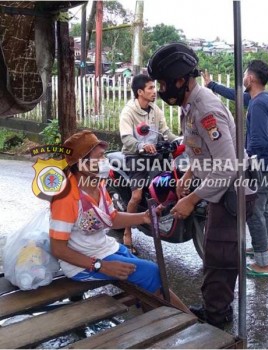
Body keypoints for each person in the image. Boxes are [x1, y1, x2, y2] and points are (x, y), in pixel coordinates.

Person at [147, 43, 256, 329]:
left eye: (162, 83)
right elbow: (203, 150)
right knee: (214, 252)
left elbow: (227, 165)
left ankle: (217, 319)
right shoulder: (190, 105)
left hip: (233, 189)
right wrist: (189, 175)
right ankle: (217, 308)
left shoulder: (206, 109)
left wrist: (192, 198)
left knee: (219, 257)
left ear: (180, 80)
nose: (160, 89)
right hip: (220, 185)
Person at [49, 130, 190, 313]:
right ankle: (186, 321)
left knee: (153, 280)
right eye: (99, 157)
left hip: (105, 249)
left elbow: (112, 218)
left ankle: (187, 320)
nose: (105, 162)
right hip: (83, 263)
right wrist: (101, 266)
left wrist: (143, 217)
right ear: (82, 163)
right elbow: (58, 249)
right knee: (152, 273)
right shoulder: (66, 197)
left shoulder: (97, 185)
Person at [202, 60, 268, 277]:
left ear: (251, 79)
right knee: (262, 208)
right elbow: (235, 95)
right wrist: (211, 85)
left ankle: (263, 265)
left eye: (245, 75)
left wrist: (242, 161)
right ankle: (267, 249)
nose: (242, 80)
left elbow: (258, 142)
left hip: (263, 167)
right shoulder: (261, 98)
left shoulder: (258, 104)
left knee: (254, 212)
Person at [119, 74, 177, 255]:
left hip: (156, 153)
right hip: (135, 156)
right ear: (139, 92)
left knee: (173, 181)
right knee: (136, 196)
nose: (155, 91)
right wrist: (141, 146)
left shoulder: (155, 109)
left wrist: (180, 141)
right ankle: (127, 232)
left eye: (154, 87)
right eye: (151, 88)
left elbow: (165, 132)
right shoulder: (128, 111)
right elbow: (127, 138)